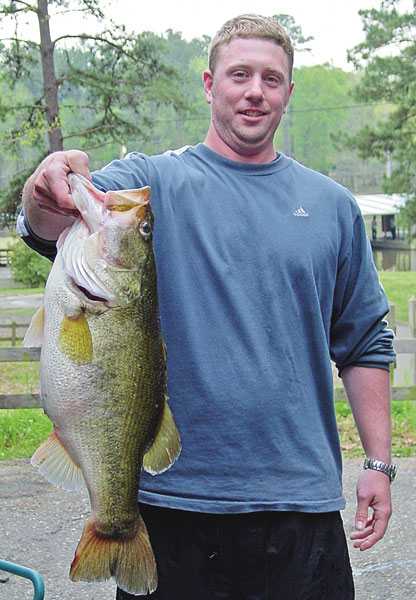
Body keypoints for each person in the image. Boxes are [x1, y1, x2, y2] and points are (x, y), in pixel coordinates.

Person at [18, 14, 396, 600]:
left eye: (271, 78)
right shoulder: (148, 185)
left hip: (301, 507)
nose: (255, 91)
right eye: (239, 74)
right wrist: (46, 183)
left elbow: (365, 342)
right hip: (172, 505)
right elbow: (48, 217)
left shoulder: (332, 206)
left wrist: (378, 462)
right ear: (209, 83)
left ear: (289, 91)